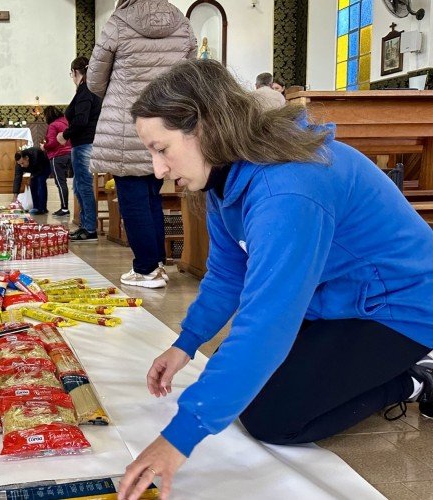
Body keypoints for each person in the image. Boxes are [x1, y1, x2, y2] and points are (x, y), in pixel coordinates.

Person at [116, 58, 433, 500]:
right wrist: (185, 343)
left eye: (162, 148)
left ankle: (414, 379)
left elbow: (268, 322)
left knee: (274, 417)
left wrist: (177, 440)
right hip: (335, 299)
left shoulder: (286, 188)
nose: (157, 169)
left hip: (398, 306)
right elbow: (228, 274)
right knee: (239, 368)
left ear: (206, 128)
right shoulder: (226, 176)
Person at [87, 0, 196, 288]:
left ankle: (146, 268)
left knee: (133, 200)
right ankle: (157, 264)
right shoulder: (181, 22)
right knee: (152, 197)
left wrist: (120, 93)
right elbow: (191, 75)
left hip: (127, 124)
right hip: (168, 122)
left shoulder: (119, 21)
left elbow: (95, 79)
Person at [58, 56, 102, 242]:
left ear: (76, 72)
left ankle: (90, 228)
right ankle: (85, 225)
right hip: (83, 143)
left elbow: (81, 120)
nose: (72, 77)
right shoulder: (90, 89)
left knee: (83, 186)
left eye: (72, 74)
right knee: (78, 186)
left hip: (84, 144)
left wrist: (65, 134)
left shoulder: (85, 91)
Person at [41, 106, 72, 217]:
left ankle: (64, 209)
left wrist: (44, 146)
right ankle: (67, 207)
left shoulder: (53, 125)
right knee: (67, 182)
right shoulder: (66, 122)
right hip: (70, 154)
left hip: (57, 155)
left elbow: (53, 143)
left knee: (60, 182)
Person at [14, 147, 52, 215]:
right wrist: (15, 194)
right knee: (32, 184)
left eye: (22, 163)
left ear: (27, 158)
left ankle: (42, 208)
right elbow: (17, 177)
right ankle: (36, 207)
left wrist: (32, 176)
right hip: (34, 169)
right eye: (20, 164)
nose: (21, 166)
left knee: (40, 182)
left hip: (44, 167)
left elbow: (40, 170)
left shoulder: (37, 154)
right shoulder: (19, 163)